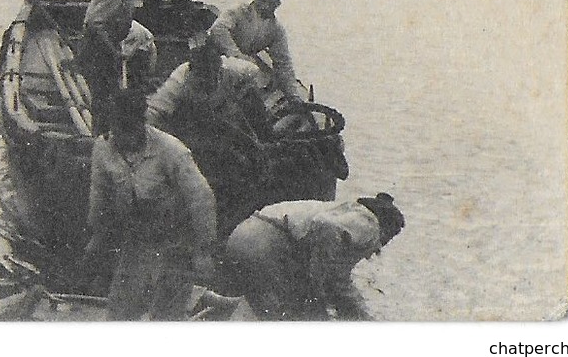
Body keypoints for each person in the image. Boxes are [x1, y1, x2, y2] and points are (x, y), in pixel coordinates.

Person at [84, 88, 218, 320]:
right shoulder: (103, 148)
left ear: (141, 124)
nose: (123, 137)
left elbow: (201, 198)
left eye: (129, 129)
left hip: (177, 240)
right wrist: (97, 237)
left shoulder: (171, 150)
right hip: (136, 239)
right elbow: (100, 195)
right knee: (120, 312)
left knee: (166, 315)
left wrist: (202, 252)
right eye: (117, 129)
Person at [221, 193, 405, 320]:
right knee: (289, 315)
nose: (376, 249)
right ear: (385, 229)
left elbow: (337, 279)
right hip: (265, 245)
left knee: (266, 309)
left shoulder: (342, 210)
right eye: (385, 241)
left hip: (245, 235)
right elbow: (326, 226)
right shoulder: (368, 222)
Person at [148, 43, 271, 199]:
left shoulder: (239, 70)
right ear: (192, 73)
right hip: (189, 122)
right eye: (203, 80)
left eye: (213, 77)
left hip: (220, 111)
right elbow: (153, 114)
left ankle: (263, 145)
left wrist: (257, 133)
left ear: (219, 69)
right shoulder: (178, 84)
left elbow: (257, 78)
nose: (209, 82)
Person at [78, 0, 148, 129]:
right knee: (103, 93)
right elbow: (95, 24)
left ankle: (107, 128)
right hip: (97, 50)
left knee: (110, 91)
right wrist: (112, 50)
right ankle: (101, 132)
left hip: (108, 47)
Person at [209, 0, 306, 104]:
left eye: (272, 1)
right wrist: (237, 55)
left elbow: (283, 62)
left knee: (261, 84)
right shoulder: (239, 11)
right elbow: (218, 29)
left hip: (245, 66)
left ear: (277, 4)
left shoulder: (275, 29)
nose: (267, 4)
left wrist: (293, 96)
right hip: (218, 56)